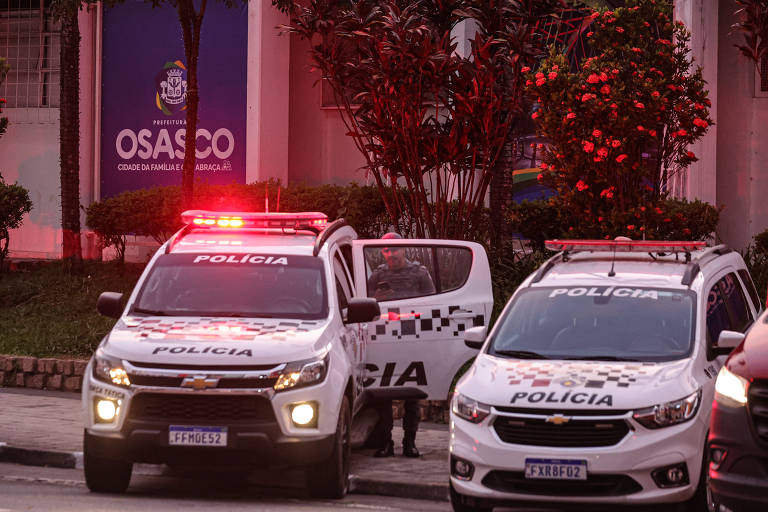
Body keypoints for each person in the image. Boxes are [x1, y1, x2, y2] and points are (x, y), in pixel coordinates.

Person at [368, 232, 435, 458]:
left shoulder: (419, 272)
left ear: (404, 250)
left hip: (412, 336)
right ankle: (386, 443)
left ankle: (410, 442)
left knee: (412, 395)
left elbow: (433, 304)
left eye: (395, 249)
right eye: (386, 250)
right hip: (384, 337)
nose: (391, 254)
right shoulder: (377, 275)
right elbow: (365, 302)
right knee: (384, 395)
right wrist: (376, 295)